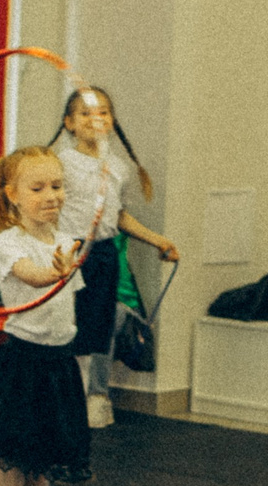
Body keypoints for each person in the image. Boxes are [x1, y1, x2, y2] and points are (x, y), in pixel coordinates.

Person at [0, 146, 91, 486]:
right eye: (37, 188)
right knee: (8, 481)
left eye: (57, 186)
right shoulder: (9, 241)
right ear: (13, 195)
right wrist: (55, 273)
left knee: (40, 483)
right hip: (22, 370)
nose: (51, 196)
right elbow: (33, 277)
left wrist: (63, 269)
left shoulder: (67, 241)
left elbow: (69, 307)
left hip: (59, 370)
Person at [53, 87, 178, 428]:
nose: (95, 118)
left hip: (104, 253)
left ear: (111, 121)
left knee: (102, 326)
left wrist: (157, 240)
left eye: (103, 112)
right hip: (70, 251)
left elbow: (117, 215)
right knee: (67, 325)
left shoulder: (117, 168)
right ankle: (64, 397)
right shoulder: (62, 163)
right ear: (69, 123)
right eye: (85, 113)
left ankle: (96, 396)